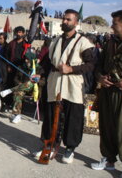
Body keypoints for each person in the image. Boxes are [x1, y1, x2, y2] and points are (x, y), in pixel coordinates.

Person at [35, 9, 95, 164]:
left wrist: (72, 69)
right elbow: (47, 62)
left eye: (68, 20)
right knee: (50, 115)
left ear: (76, 22)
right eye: (64, 19)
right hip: (54, 82)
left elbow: (91, 65)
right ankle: (49, 144)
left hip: (73, 84)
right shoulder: (54, 41)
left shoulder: (84, 42)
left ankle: (70, 148)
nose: (65, 22)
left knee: (72, 116)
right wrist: (40, 73)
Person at [91, 10, 122, 178]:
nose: (111, 26)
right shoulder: (109, 43)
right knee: (107, 126)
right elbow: (99, 66)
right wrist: (100, 78)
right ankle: (109, 159)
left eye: (114, 23)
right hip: (107, 91)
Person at [0, 51, 37, 123]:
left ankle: (9, 90)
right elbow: (15, 78)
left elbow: (42, 81)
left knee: (30, 83)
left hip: (32, 89)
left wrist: (37, 79)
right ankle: (17, 115)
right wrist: (19, 83)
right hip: (21, 88)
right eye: (25, 59)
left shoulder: (38, 68)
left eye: (28, 59)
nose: (26, 61)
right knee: (19, 93)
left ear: (32, 60)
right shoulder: (21, 67)